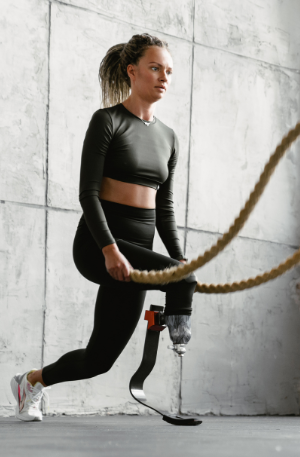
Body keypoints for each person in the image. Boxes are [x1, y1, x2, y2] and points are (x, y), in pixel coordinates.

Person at [11, 33, 197, 422]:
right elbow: (88, 194)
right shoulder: (108, 121)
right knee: (183, 281)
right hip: (100, 246)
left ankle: (31, 381)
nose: (164, 77)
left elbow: (164, 208)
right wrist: (111, 249)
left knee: (99, 360)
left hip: (137, 255)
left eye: (169, 71)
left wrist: (176, 254)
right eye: (155, 67)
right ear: (132, 71)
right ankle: (180, 337)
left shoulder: (169, 138)